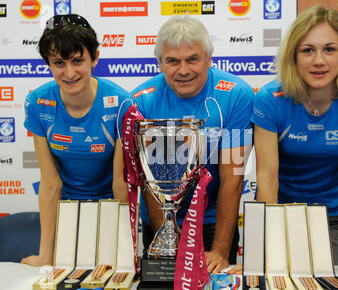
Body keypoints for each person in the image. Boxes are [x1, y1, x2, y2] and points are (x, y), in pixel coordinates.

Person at [230, 5, 338, 282]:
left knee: (335, 286)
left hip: (334, 216)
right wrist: (261, 254)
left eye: (329, 49)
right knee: (275, 285)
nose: (319, 61)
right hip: (283, 215)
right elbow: (267, 179)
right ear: (293, 56)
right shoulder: (270, 98)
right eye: (308, 50)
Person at [130, 16, 254, 273]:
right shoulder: (141, 102)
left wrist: (220, 249)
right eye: (172, 61)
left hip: (212, 223)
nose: (183, 70)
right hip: (159, 220)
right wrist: (165, 241)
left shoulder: (236, 95)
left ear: (209, 59)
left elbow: (233, 176)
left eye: (192, 59)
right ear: (160, 63)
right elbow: (149, 183)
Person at [21, 14, 131, 267]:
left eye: (77, 61)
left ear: (95, 58)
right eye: (59, 62)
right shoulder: (37, 103)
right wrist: (45, 255)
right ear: (48, 64)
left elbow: (120, 183)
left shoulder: (121, 104)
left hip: (109, 208)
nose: (69, 73)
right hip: (67, 212)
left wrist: (124, 251)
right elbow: (50, 183)